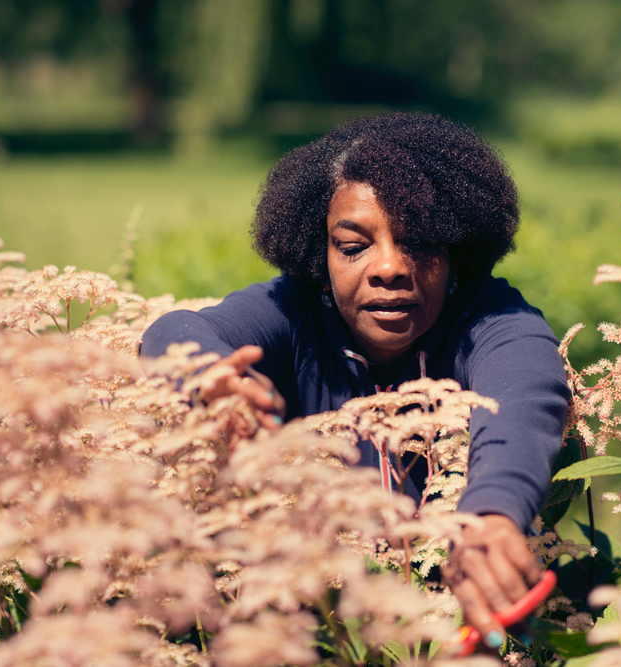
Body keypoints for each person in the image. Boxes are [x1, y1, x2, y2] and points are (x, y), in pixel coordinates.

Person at [140, 112, 570, 651]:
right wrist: (204, 378)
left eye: (418, 242)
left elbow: (525, 392)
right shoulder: (290, 313)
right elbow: (177, 332)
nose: (389, 266)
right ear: (319, 256)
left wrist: (492, 514)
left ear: (455, 252)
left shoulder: (486, 318)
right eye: (353, 246)